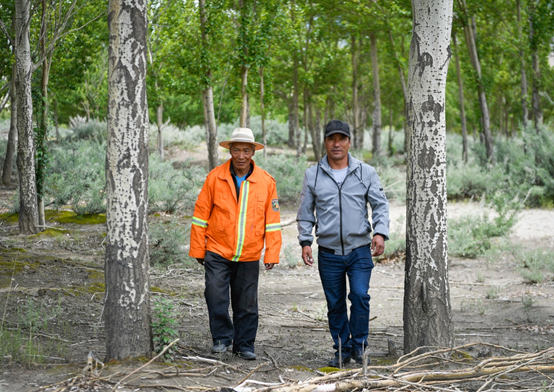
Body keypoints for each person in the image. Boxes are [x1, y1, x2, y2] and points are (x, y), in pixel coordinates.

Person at [296, 120, 389, 367]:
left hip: (359, 249)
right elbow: (306, 211)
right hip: (328, 253)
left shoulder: (365, 172)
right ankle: (341, 349)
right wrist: (305, 240)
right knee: (334, 303)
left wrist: (380, 233)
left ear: (349, 142)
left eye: (341, 138)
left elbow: (380, 205)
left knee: (359, 296)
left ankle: (359, 346)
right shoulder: (312, 174)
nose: (336, 144)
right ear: (324, 142)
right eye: (331, 139)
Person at [189, 127, 282, 360]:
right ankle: (221, 338)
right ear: (229, 151)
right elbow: (200, 216)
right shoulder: (215, 177)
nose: (241, 155)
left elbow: (272, 221)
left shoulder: (266, 181)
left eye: (246, 150)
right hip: (217, 250)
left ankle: (245, 345)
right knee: (215, 295)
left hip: (249, 254)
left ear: (253, 152)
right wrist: (199, 248)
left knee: (247, 304)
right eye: (237, 150)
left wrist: (272, 253)